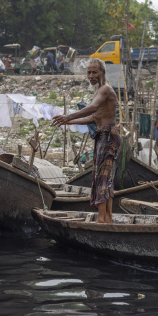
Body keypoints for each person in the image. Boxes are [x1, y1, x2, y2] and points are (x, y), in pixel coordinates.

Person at [52, 58, 121, 224]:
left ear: (102, 73)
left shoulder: (105, 90)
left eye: (94, 72)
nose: (91, 75)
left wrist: (69, 116)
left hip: (108, 136)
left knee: (102, 178)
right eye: (89, 72)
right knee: (103, 177)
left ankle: (103, 220)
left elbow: (92, 108)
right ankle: (107, 218)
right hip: (103, 135)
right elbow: (94, 116)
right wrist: (69, 121)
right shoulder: (99, 91)